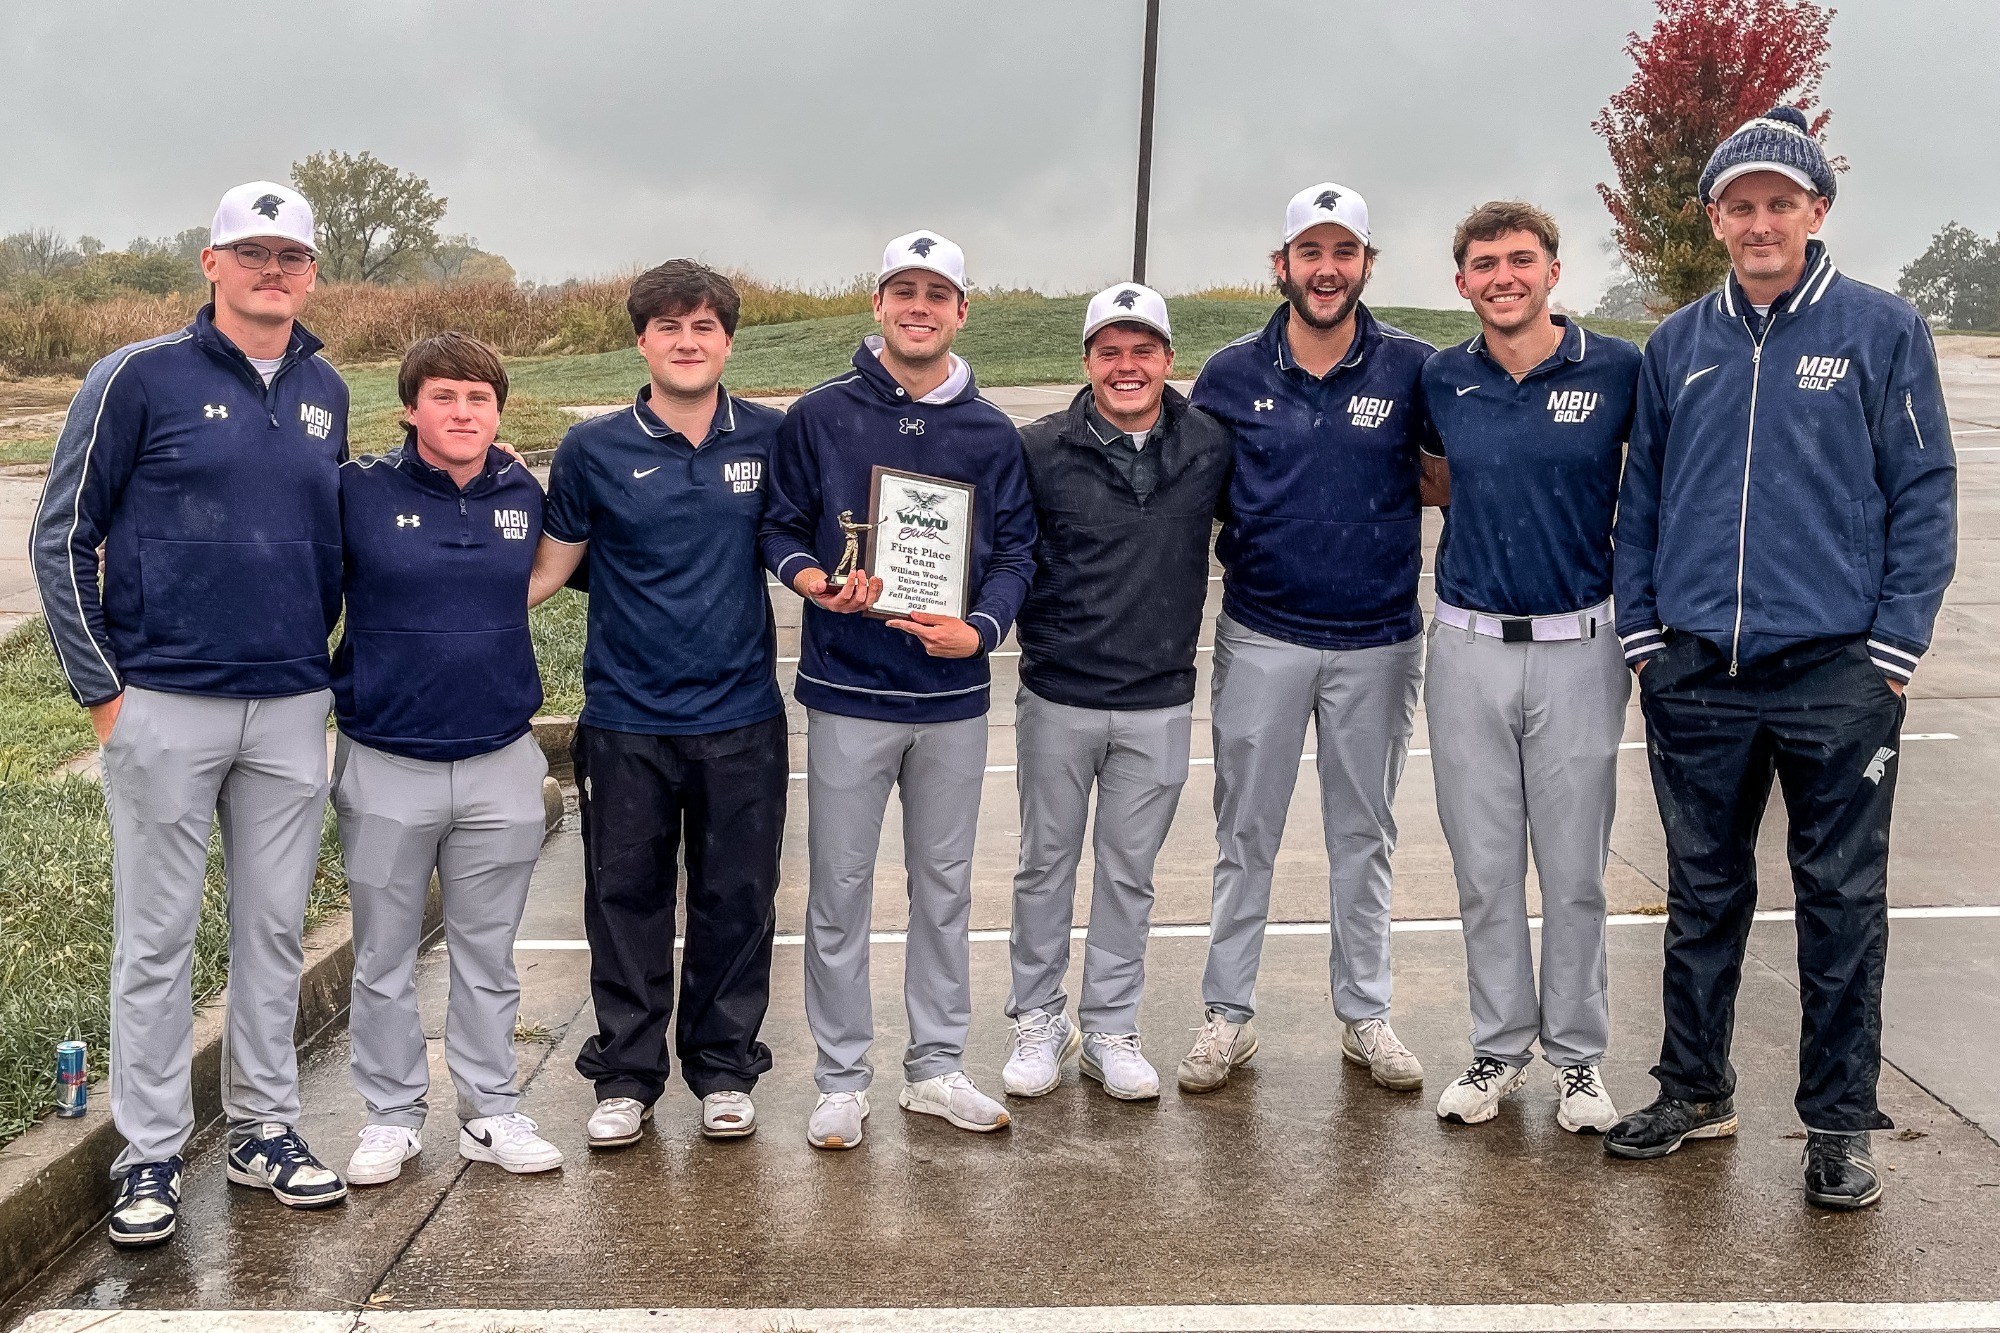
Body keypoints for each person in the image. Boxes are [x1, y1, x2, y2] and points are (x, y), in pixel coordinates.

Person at [1609, 107, 1956, 1210]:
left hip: (1835, 678)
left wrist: (1889, 651)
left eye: (1780, 203)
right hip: (1697, 676)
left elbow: (1922, 493)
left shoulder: (1881, 329)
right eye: (1740, 205)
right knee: (1702, 893)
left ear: (1816, 210)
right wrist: (1646, 638)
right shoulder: (1677, 345)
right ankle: (1693, 1089)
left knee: (1840, 901)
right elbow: (1641, 501)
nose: (1760, 223)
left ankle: (1838, 1123)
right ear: (1714, 218)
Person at [31, 180, 350, 1247]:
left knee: (272, 928)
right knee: (158, 937)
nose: (272, 270)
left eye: (290, 256)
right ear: (211, 263)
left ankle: (263, 1130)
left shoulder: (326, 388)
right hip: (163, 701)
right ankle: (151, 1151)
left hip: (291, 702)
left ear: (311, 273)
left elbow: (325, 542)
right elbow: (61, 538)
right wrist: (104, 695)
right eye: (251, 252)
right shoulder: (136, 376)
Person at [760, 230, 1036, 1148]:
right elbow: (779, 526)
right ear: (877, 303)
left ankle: (936, 1066)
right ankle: (842, 1077)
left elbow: (1016, 553)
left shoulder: (991, 432)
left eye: (937, 294)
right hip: (846, 691)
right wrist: (814, 581)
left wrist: (981, 630)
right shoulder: (819, 414)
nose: (919, 308)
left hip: (951, 699)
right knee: (839, 892)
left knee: (944, 890)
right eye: (903, 292)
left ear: (962, 310)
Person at [1177, 183, 1437, 1097]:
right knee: (1245, 832)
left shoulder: (1414, 368)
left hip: (1378, 641)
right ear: (1281, 264)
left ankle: (1365, 1012)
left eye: (1344, 252)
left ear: (1367, 262)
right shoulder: (1227, 375)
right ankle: (1227, 1014)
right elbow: (1194, 499)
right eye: (1310, 252)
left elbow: (1448, 479)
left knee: (1363, 834)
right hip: (1262, 635)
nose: (1327, 270)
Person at [528, 262, 789, 1147]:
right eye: (669, 326)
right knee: (624, 898)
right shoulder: (592, 449)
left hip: (742, 715)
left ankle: (724, 1068)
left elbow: (817, 540)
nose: (687, 341)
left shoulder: (773, 437)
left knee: (737, 898)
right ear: (641, 340)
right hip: (627, 717)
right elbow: (548, 571)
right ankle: (627, 1076)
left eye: (704, 326)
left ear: (728, 341)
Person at [1418, 201, 1641, 1133]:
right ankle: (1499, 1047)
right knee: (1485, 867)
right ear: (1461, 282)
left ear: (1553, 269)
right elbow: (1434, 480)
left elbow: (1655, 493)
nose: (1502, 277)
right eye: (1484, 264)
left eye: (1520, 259)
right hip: (1467, 645)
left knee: (1576, 870)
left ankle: (1578, 1060)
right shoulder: (1442, 377)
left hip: (1580, 647)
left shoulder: (1617, 368)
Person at [332, 333, 561, 1185]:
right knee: (383, 955)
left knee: (487, 954)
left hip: (500, 757)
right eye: (444, 396)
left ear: (499, 412)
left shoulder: (522, 491)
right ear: (409, 408)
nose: (462, 412)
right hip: (386, 757)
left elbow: (550, 568)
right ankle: (390, 1115)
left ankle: (490, 1109)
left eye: (478, 399)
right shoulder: (357, 489)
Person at [1001, 283, 1231, 1102]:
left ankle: (1109, 1027)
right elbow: (1002, 550)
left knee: (1129, 874)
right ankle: (1039, 1018)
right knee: (1045, 866)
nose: (1126, 366)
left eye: (1142, 350)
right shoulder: (1037, 448)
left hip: (1159, 699)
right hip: (1058, 693)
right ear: (1087, 360)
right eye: (1109, 351)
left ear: (1169, 359)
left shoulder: (1210, 443)